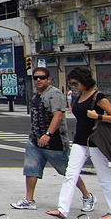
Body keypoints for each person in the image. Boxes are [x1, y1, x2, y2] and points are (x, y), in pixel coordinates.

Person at [10, 67, 94, 211]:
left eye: (42, 77)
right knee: (31, 169)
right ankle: (29, 200)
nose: (38, 80)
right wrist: (37, 136)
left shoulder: (54, 94)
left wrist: (48, 134)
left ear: (48, 79)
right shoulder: (36, 95)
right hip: (35, 140)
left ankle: (87, 196)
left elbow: (58, 115)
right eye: (36, 78)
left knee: (67, 171)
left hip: (54, 141)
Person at [46, 67, 111, 219]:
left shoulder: (99, 97)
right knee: (70, 174)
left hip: (95, 142)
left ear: (85, 81)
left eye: (75, 83)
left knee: (104, 177)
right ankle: (62, 210)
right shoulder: (79, 96)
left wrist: (98, 116)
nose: (73, 86)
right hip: (79, 141)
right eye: (71, 83)